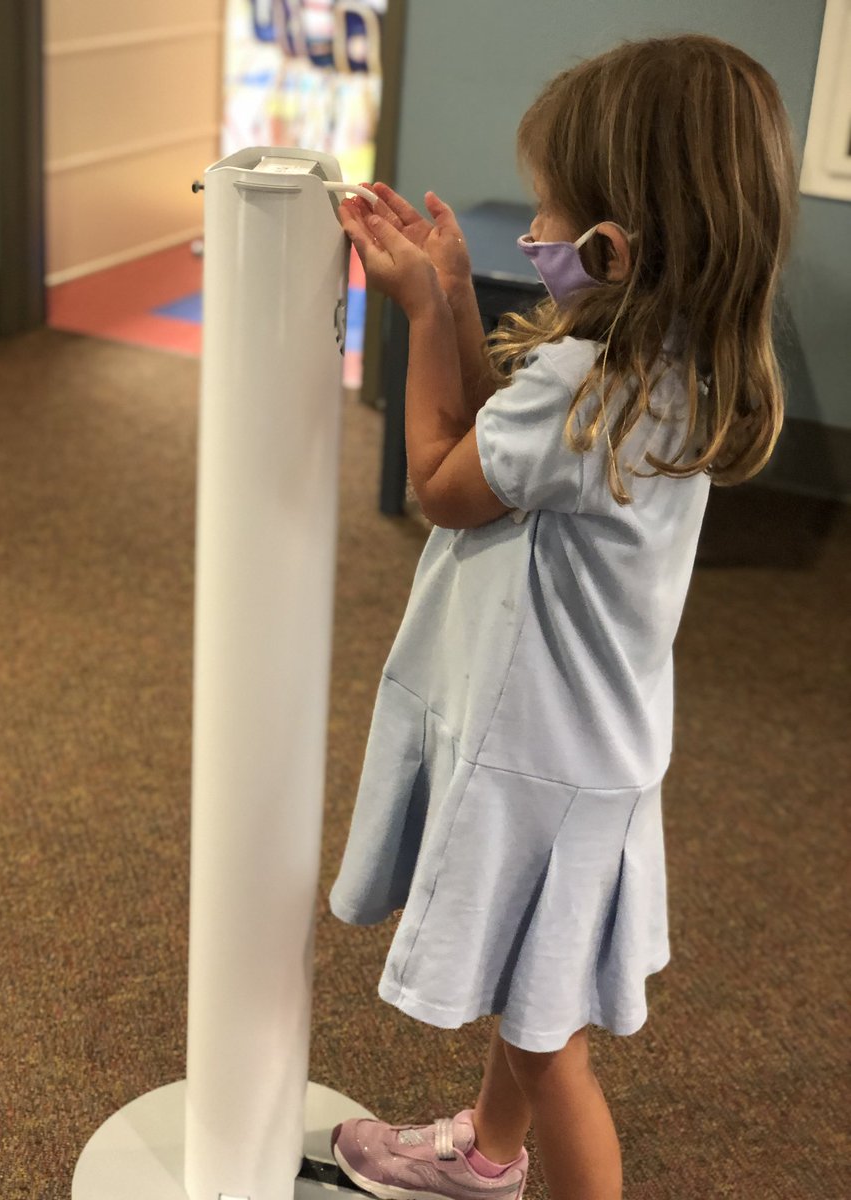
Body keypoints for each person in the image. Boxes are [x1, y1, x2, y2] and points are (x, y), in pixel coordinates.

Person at [327, 33, 797, 1200]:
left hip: (541, 760)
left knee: (552, 1045)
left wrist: (426, 311)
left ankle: (531, 1166)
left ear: (611, 248)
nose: (530, 239)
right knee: (536, 996)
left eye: (545, 218)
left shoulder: (591, 390)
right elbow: (502, 455)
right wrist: (443, 293)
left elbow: (442, 483)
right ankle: (487, 1158)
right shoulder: (655, 373)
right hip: (597, 753)